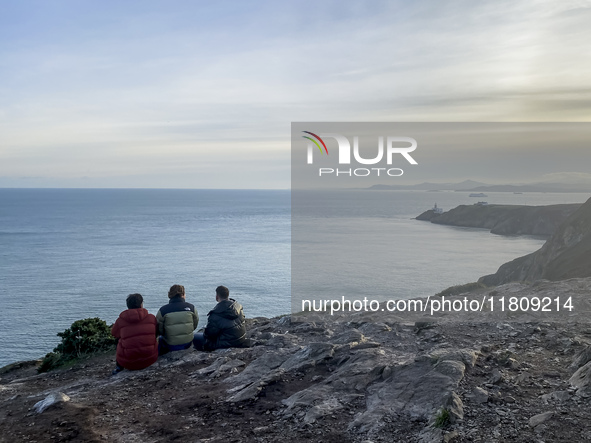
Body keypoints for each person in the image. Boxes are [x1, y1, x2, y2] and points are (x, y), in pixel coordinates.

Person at [111, 293, 158, 375]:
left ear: (128, 306)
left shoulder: (120, 320)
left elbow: (114, 334)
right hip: (150, 359)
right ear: (141, 304)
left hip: (128, 363)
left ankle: (119, 367)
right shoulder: (151, 317)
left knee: (119, 339)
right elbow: (157, 332)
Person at [193, 285, 248, 351]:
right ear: (228, 295)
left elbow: (209, 335)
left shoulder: (215, 314)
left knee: (195, 337)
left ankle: (201, 353)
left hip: (224, 344)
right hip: (240, 339)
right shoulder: (238, 306)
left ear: (217, 297)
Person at [156, 284, 199, 355]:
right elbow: (195, 325)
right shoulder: (191, 308)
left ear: (170, 295)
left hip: (170, 345)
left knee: (159, 339)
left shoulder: (163, 310)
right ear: (183, 294)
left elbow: (160, 330)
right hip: (188, 343)